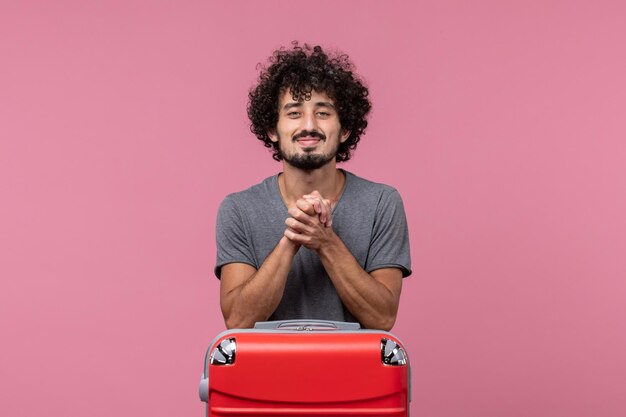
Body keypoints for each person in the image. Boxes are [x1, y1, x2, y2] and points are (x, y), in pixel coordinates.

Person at [215, 42, 411, 330]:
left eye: (323, 113)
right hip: (266, 374)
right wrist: (292, 239)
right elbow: (238, 320)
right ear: (272, 130)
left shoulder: (382, 202)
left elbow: (382, 318)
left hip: (355, 372)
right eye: (294, 113)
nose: (309, 125)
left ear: (345, 129)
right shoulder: (239, 209)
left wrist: (325, 241)